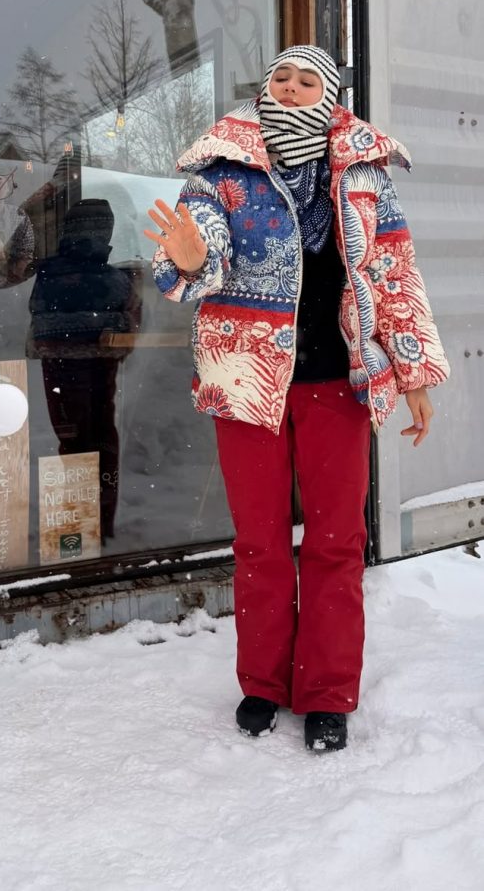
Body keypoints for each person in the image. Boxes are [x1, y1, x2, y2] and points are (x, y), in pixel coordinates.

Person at [145, 45, 449, 752]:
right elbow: (198, 248)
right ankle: (262, 682)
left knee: (337, 542)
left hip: (339, 383)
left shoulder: (363, 173)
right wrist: (189, 260)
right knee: (259, 542)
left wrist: (415, 375)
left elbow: (393, 269)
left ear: (327, 92)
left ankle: (326, 689)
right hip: (248, 381)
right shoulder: (224, 167)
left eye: (306, 77)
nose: (290, 84)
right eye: (281, 75)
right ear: (267, 89)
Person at [28, 199, 141, 540]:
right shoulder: (118, 277)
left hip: (59, 364)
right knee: (103, 433)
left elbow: (37, 315)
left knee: (72, 439)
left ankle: (75, 531)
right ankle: (101, 525)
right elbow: (130, 321)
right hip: (102, 362)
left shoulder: (48, 272)